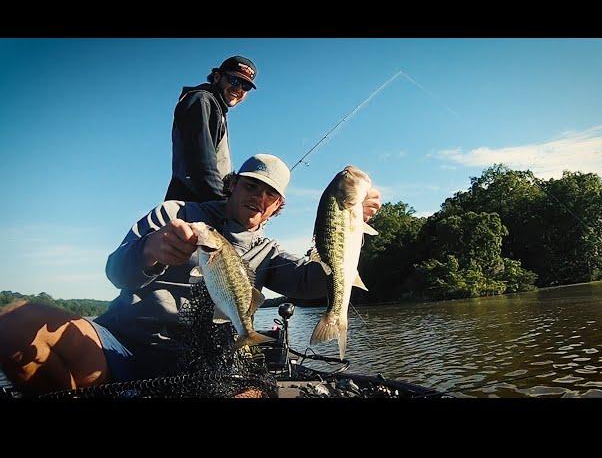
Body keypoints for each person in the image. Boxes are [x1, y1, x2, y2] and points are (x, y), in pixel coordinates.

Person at [0, 154, 382, 396]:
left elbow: (316, 284)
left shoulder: (270, 252)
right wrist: (151, 250)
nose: (258, 197)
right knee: (13, 324)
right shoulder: (174, 213)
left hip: (206, 362)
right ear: (232, 185)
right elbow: (116, 272)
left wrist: (350, 227)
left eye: (270, 195)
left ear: (277, 208)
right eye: (251, 185)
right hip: (123, 344)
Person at [164, 55, 258, 203]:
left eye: (245, 86)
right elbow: (202, 161)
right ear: (216, 77)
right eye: (234, 80)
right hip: (194, 205)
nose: (238, 88)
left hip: (204, 203)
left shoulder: (216, 108)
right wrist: (223, 204)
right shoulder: (202, 101)